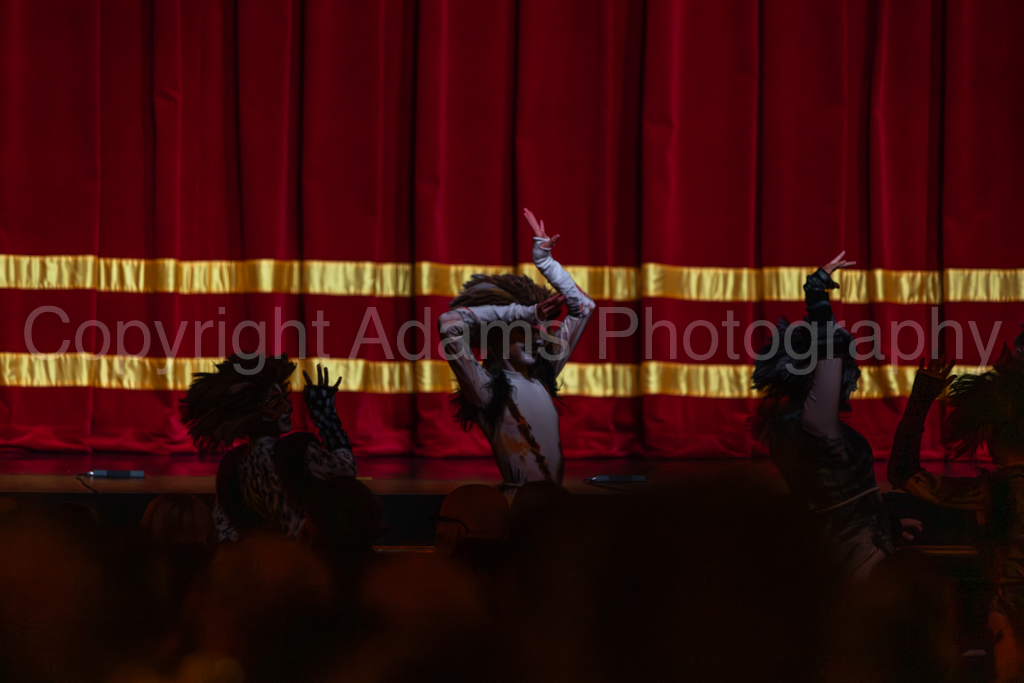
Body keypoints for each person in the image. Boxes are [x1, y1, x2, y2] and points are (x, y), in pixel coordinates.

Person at [751, 252, 899, 580]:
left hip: (837, 553)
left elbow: (838, 501)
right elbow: (829, 354)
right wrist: (816, 294)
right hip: (854, 562)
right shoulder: (816, 424)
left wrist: (891, 524)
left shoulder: (788, 423)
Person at [888, 351, 1024, 682]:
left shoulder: (994, 491)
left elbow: (903, 473)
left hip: (1011, 616)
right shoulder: (996, 490)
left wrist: (922, 396)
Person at [437, 208, 594, 494]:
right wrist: (521, 312)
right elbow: (448, 324)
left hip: (553, 506)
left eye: (540, 330)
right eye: (525, 330)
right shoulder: (485, 389)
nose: (539, 339)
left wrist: (546, 263)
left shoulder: (543, 375)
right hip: (516, 505)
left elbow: (583, 308)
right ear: (497, 337)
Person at [179, 356, 356, 541]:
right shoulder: (296, 450)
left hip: (257, 556)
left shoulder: (231, 464)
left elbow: (223, 529)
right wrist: (327, 418)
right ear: (251, 411)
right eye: (274, 402)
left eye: (284, 398)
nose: (287, 407)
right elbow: (347, 469)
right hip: (303, 556)